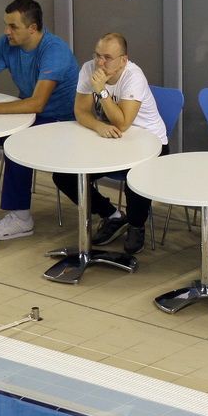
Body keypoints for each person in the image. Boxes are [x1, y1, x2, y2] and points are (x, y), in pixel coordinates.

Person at [0, 0, 79, 241]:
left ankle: (21, 218)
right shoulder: (5, 44)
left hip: (62, 121)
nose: (6, 31)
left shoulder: (55, 51)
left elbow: (38, 102)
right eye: (6, 25)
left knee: (17, 143)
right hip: (31, 115)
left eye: (13, 26)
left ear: (32, 28)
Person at [51, 33, 169, 255]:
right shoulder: (88, 69)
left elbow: (123, 123)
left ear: (123, 60)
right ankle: (112, 215)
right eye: (97, 55)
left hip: (150, 143)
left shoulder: (133, 76)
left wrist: (102, 91)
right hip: (111, 141)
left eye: (107, 57)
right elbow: (80, 111)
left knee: (135, 176)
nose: (100, 62)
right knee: (64, 176)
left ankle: (136, 225)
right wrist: (98, 126)